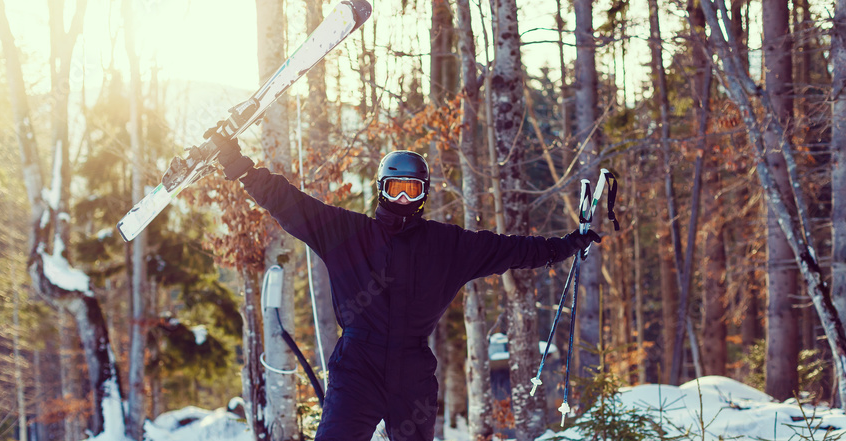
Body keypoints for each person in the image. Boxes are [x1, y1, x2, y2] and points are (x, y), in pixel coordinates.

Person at [214, 138, 600, 441]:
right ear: (381, 189)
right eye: (395, 188)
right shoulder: (348, 233)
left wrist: (564, 245)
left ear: (424, 193)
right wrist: (243, 169)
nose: (402, 198)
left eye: (411, 190)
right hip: (357, 366)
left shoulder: (448, 245)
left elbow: (510, 249)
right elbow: (289, 203)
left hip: (412, 368)